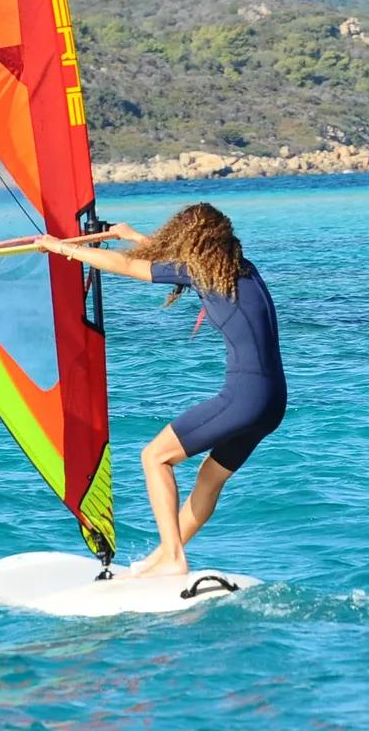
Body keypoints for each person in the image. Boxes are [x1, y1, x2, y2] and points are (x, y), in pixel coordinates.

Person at [36, 204, 285, 577]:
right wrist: (133, 235)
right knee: (209, 478)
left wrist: (61, 248)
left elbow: (126, 267)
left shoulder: (202, 272)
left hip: (244, 397)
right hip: (273, 401)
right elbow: (168, 258)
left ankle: (173, 558)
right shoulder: (238, 268)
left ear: (192, 242)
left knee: (154, 457)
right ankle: (163, 557)